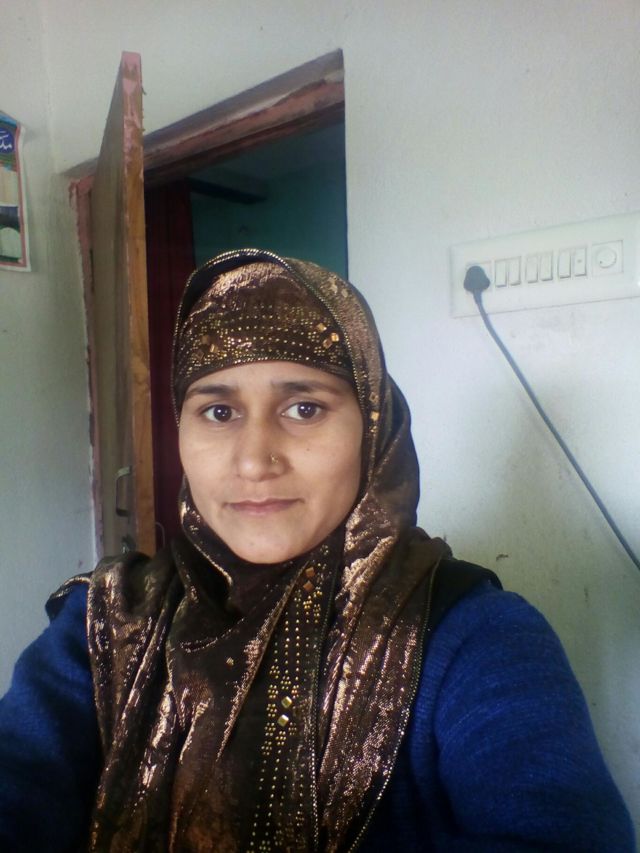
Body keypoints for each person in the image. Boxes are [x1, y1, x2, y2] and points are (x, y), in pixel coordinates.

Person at [0, 249, 634, 852]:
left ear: (374, 428)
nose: (254, 461)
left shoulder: (473, 637)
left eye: (304, 408)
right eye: (218, 412)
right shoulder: (106, 626)